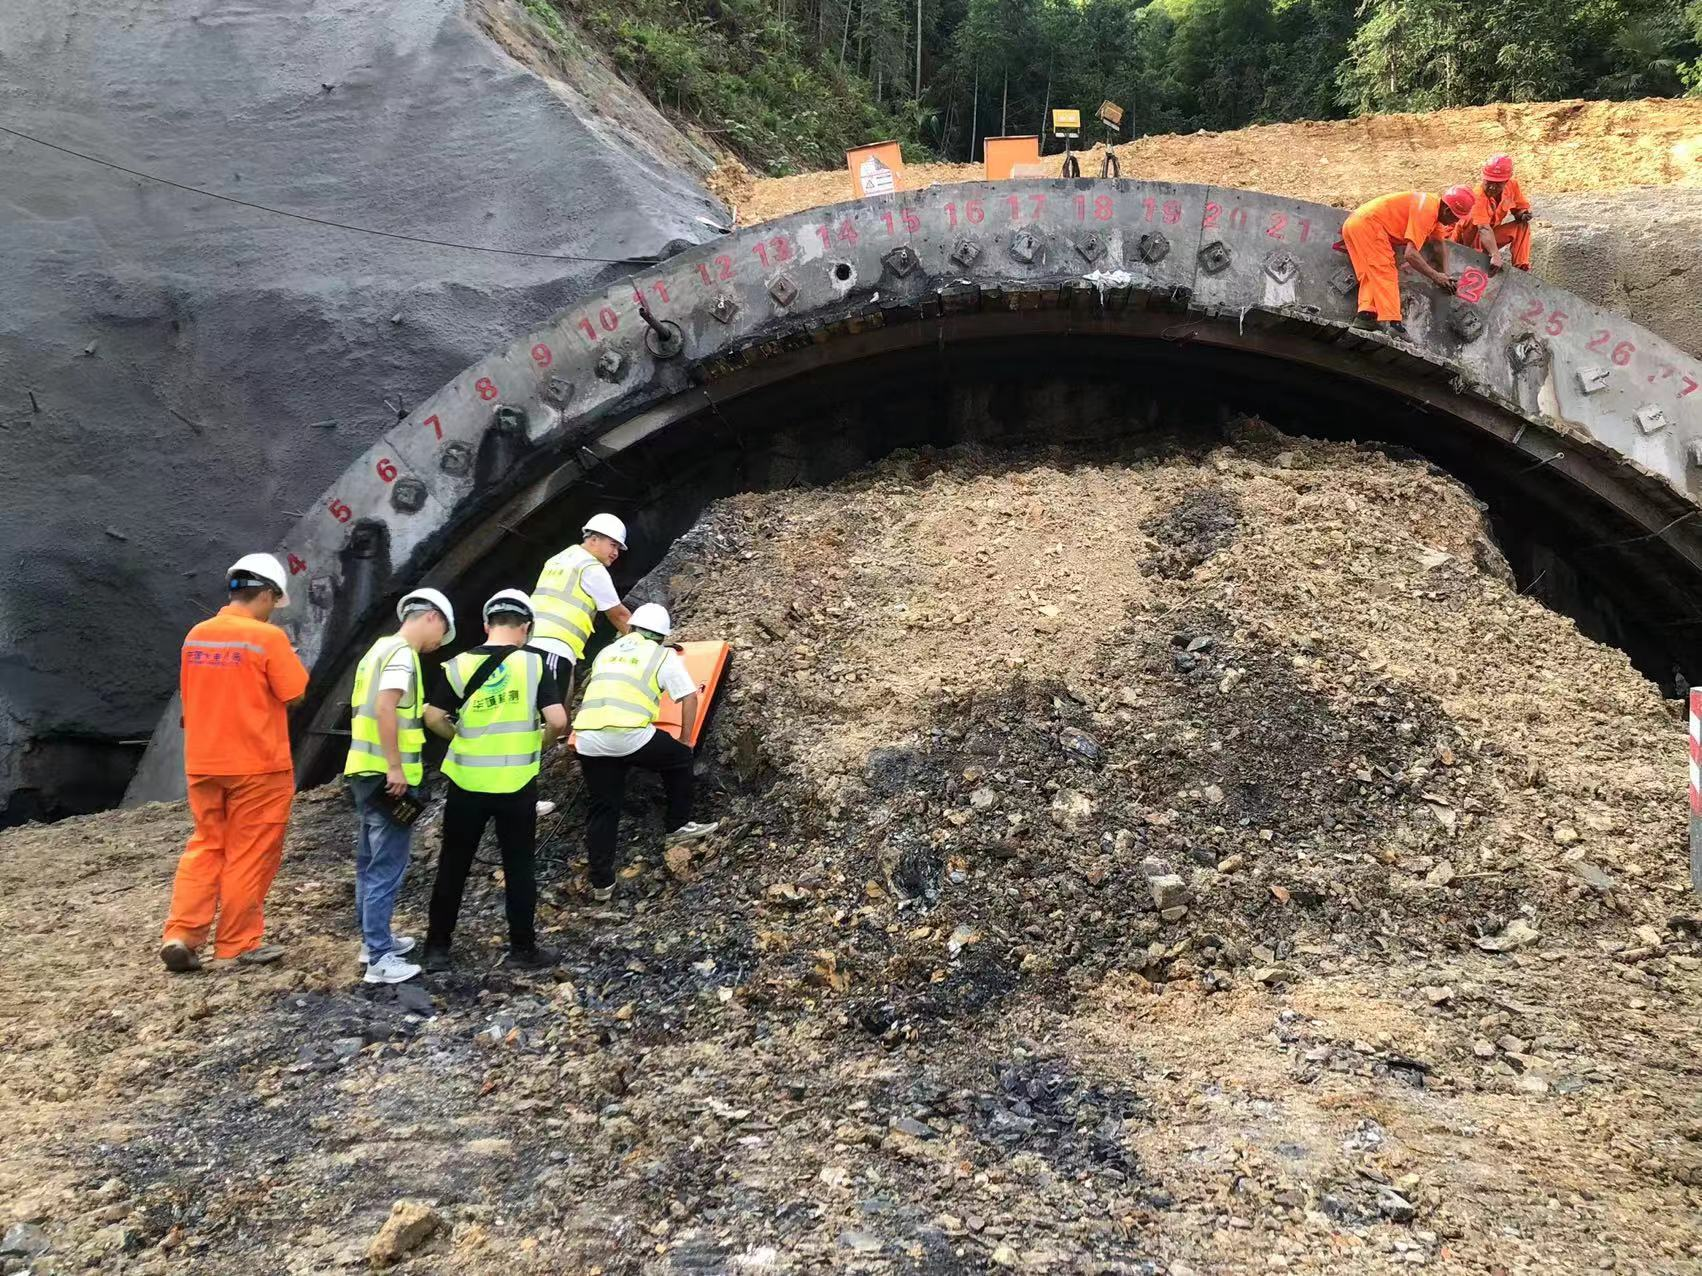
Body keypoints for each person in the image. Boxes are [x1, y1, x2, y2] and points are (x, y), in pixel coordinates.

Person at [159, 553, 309, 972]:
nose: (272, 610)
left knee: (206, 846)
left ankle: (182, 935)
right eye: (273, 602)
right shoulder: (267, 638)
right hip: (257, 766)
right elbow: (295, 693)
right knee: (250, 853)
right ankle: (237, 944)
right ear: (266, 594)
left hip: (204, 762)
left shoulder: (197, 635)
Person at [420, 589, 567, 972]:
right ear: (526, 627)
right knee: (519, 866)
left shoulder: (457, 665)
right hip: (516, 784)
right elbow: (557, 720)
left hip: (466, 782)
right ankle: (523, 950)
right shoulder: (534, 664)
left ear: (487, 625)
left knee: (453, 864)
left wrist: (459, 736)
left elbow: (433, 716)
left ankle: (437, 949)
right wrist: (538, 743)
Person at [342, 587, 456, 985]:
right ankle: (379, 958)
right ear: (432, 617)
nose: (438, 643)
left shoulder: (378, 650)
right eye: (441, 634)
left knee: (368, 862)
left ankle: (372, 941)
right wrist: (395, 767)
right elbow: (385, 707)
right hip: (387, 778)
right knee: (386, 867)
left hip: (363, 770)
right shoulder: (403, 655)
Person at [572, 603, 719, 902]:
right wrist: (685, 740)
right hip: (628, 735)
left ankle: (601, 883)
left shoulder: (606, 652)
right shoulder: (661, 655)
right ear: (662, 636)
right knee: (678, 758)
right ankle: (678, 825)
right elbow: (689, 697)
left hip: (587, 738)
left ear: (632, 628)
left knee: (603, 807)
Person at [529, 512, 633, 709]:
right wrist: (648, 644)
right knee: (551, 713)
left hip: (531, 643)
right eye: (613, 545)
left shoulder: (557, 560)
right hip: (553, 646)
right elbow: (618, 614)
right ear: (593, 539)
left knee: (543, 708)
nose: (616, 553)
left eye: (618, 548)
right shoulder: (591, 568)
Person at [1341, 187, 1476, 333]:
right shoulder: (1427, 212)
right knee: (1385, 271)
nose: (1455, 222)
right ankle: (1393, 323)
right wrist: (1436, 276)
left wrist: (1446, 276)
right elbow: (1410, 254)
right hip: (1369, 226)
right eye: (1456, 218)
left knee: (1370, 275)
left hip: (1355, 223)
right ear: (1447, 210)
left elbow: (1438, 245)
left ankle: (1366, 316)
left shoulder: (1433, 208)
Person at [1449, 154, 1533, 273]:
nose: (1492, 187)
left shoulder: (1512, 186)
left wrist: (1522, 214)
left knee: (1522, 226)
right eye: (1489, 182)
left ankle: (1521, 269)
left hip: (1489, 239)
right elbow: (1483, 228)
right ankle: (1476, 260)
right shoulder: (1477, 195)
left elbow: (1520, 208)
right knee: (1474, 222)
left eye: (1498, 183)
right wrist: (1495, 255)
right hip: (1466, 243)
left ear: (1506, 181)